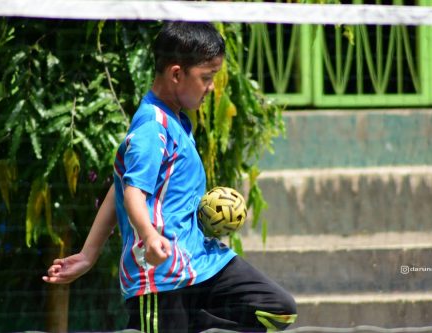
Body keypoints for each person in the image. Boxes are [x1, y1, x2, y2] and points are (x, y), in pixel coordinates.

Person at [43, 21, 297, 333]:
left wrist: (87, 253)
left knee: (278, 310)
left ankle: (197, 325)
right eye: (206, 78)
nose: (212, 87)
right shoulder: (152, 127)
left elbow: (120, 184)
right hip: (159, 278)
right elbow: (132, 193)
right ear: (176, 74)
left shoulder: (175, 121)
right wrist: (149, 237)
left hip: (199, 264)